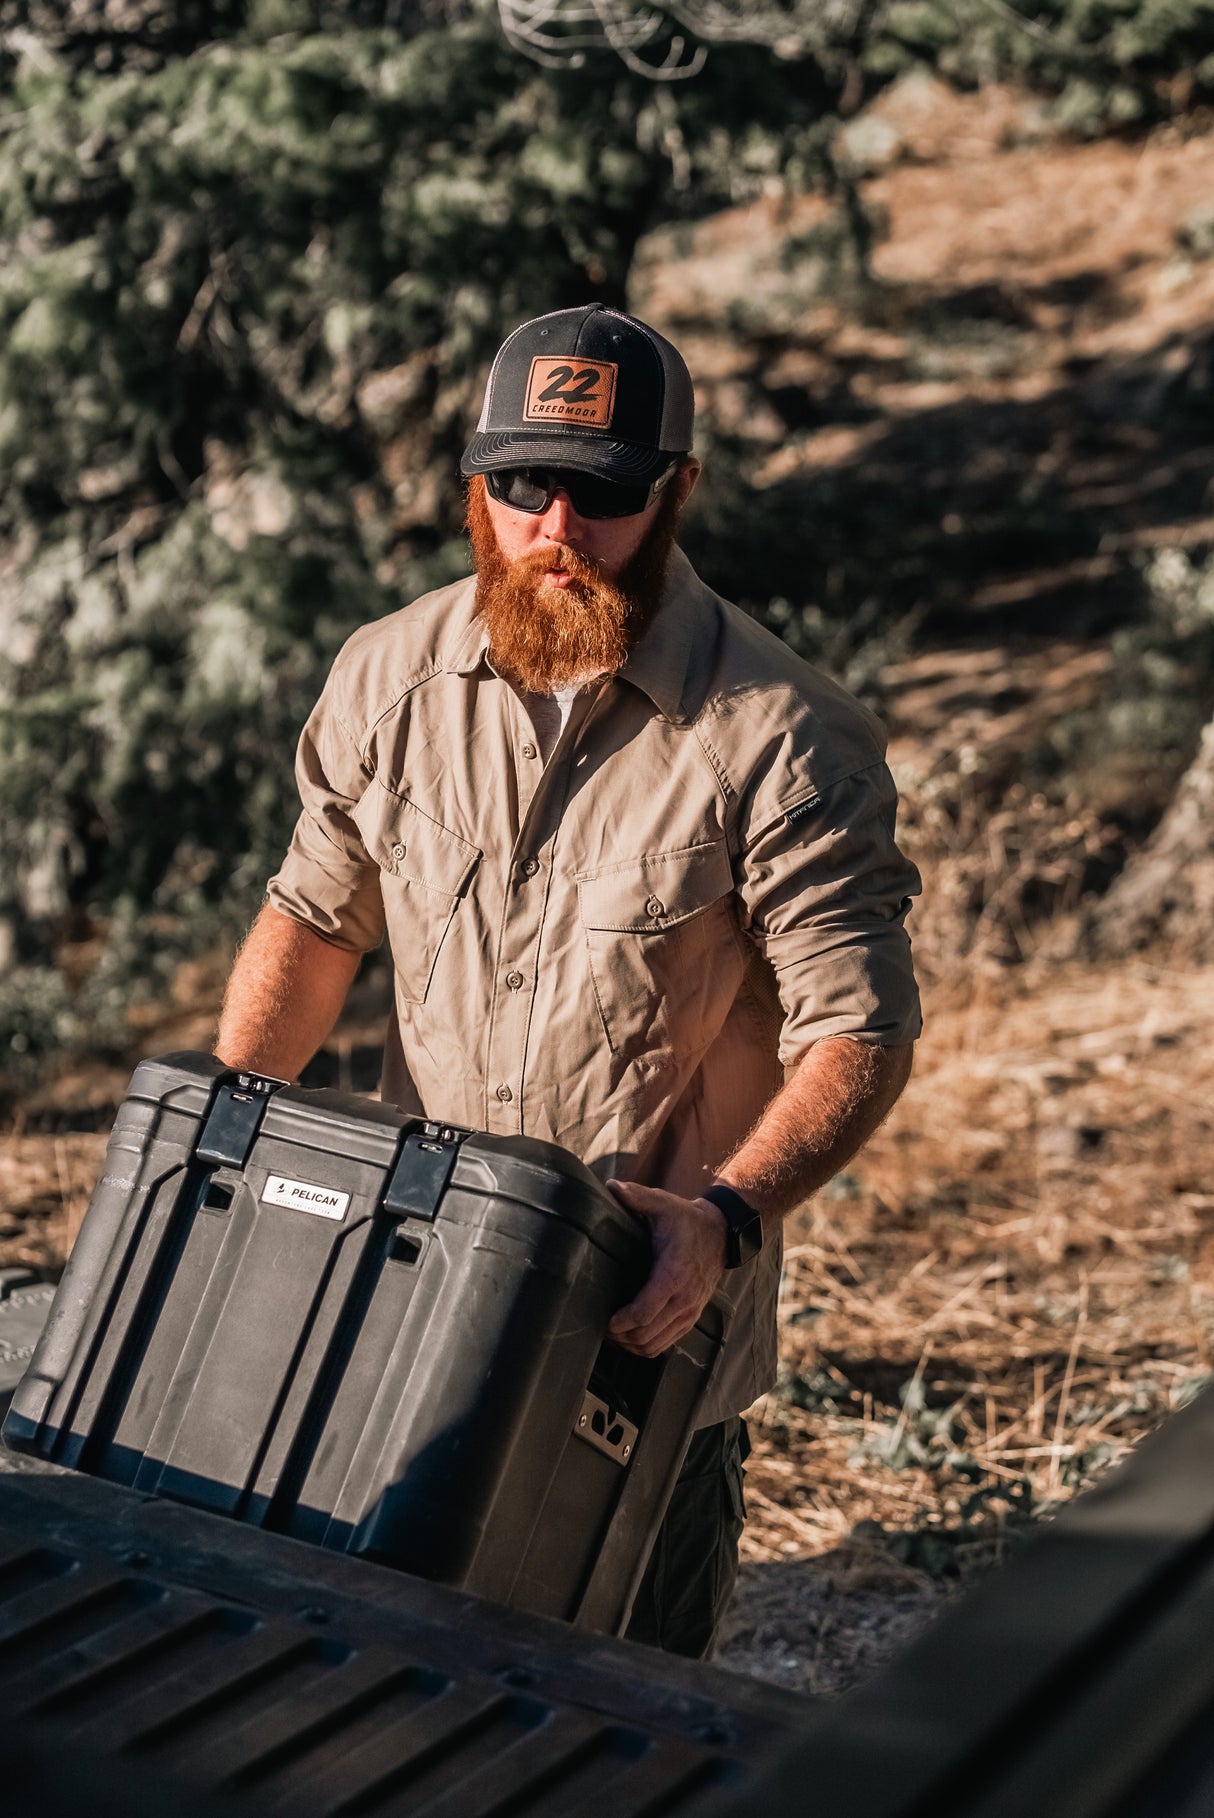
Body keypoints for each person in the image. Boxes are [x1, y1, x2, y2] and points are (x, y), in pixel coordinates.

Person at [214, 303, 922, 1659]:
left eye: (599, 492)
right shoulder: (388, 677)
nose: (555, 528)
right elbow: (313, 920)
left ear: (674, 495)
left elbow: (857, 1027)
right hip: (405, 1288)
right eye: (522, 484)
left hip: (638, 1341)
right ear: (474, 485)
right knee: (374, 1701)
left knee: (610, 1738)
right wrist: (230, 1132)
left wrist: (726, 1215)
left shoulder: (781, 735)